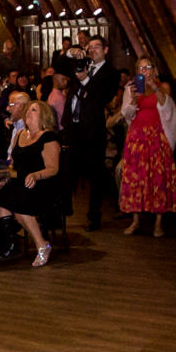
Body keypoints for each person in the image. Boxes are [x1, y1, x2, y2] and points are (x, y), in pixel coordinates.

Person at [0, 101, 61, 267]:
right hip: (20, 181)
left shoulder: (48, 137)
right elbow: (14, 165)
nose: (28, 113)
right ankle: (10, 245)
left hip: (41, 183)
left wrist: (36, 175)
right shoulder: (20, 134)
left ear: (43, 115)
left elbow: (53, 168)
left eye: (34, 110)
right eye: (28, 110)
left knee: (20, 205)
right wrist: (5, 179)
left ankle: (42, 245)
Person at [66, 36, 120, 230]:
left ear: (105, 50)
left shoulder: (111, 73)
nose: (93, 50)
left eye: (97, 47)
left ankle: (94, 216)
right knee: (66, 169)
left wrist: (86, 80)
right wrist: (72, 52)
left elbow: (101, 97)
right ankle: (62, 212)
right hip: (74, 125)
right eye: (90, 47)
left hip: (93, 129)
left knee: (95, 173)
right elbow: (61, 67)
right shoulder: (83, 63)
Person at [118, 60, 176, 237]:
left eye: (148, 67)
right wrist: (135, 98)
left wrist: (155, 87)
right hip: (137, 137)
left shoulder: (163, 86)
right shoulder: (131, 89)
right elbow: (126, 114)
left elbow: (167, 108)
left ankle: (158, 222)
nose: (145, 71)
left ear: (155, 69)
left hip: (157, 136)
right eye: (141, 68)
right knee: (136, 178)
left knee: (158, 178)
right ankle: (136, 220)